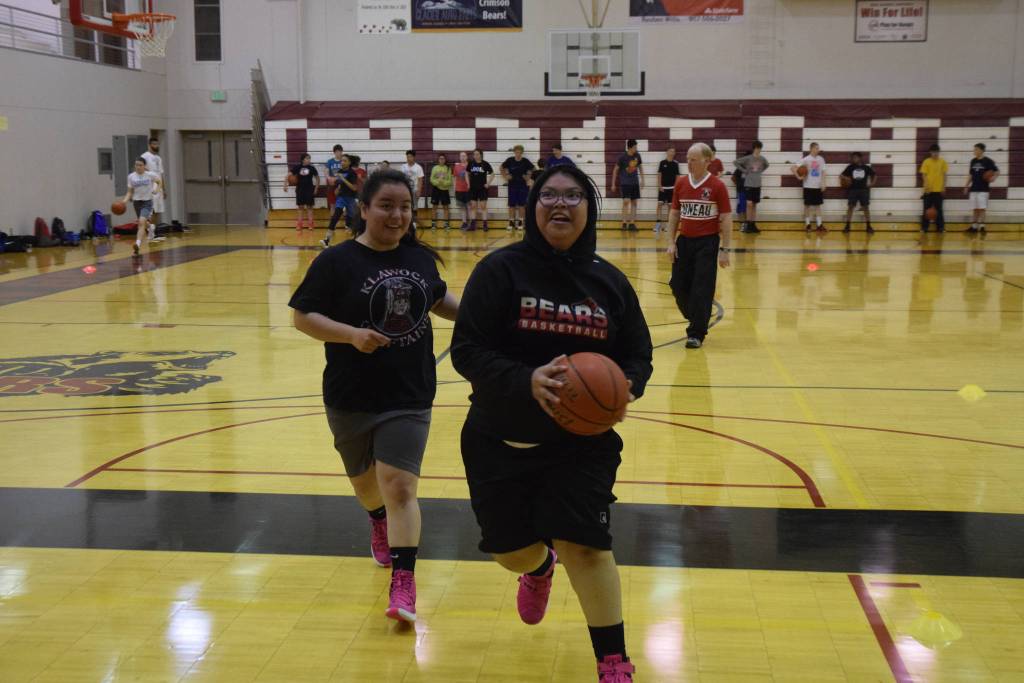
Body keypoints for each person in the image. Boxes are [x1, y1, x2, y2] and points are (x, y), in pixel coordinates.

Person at [451, 164, 653, 683]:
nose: (559, 205)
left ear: (589, 210)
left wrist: (625, 386)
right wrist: (526, 380)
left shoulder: (609, 282)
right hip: (499, 435)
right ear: (531, 206)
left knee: (585, 545)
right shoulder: (499, 272)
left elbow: (638, 353)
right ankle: (538, 568)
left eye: (572, 196)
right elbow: (467, 349)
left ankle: (613, 661)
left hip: (579, 444)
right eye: (548, 196)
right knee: (510, 553)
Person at [289, 169, 460, 624]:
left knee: (400, 485)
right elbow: (302, 316)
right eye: (386, 205)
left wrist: (483, 317)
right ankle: (377, 520)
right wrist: (350, 335)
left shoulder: (420, 258)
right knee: (366, 484)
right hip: (350, 393)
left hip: (410, 390)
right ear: (363, 209)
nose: (397, 214)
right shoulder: (336, 262)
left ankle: (404, 582)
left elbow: (437, 300)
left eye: (405, 206)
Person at [667, 143, 733, 349]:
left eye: (693, 159)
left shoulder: (717, 186)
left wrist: (725, 249)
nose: (689, 163)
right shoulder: (681, 183)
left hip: (707, 242)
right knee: (677, 284)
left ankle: (696, 333)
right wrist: (670, 242)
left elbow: (726, 217)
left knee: (701, 288)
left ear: (707, 161)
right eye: (687, 159)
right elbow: (675, 213)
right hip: (684, 241)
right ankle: (697, 316)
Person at [121, 157, 163, 256]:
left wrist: (157, 190)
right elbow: (129, 192)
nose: (138, 167)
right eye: (136, 165)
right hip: (137, 202)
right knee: (143, 223)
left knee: (141, 223)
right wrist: (123, 202)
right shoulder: (131, 176)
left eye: (140, 165)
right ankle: (151, 227)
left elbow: (159, 181)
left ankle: (137, 245)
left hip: (147, 202)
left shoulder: (150, 175)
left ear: (144, 166)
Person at [320, 155, 359, 248]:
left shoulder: (352, 173)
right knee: (335, 216)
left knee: (352, 223)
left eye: (344, 161)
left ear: (349, 163)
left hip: (350, 199)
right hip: (341, 198)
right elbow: (339, 184)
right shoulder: (340, 172)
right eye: (341, 161)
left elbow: (354, 188)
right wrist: (337, 189)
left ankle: (358, 241)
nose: (342, 162)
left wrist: (343, 179)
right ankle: (327, 240)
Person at [734, 141, 769, 234]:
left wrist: (760, 170)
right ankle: (748, 224)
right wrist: (744, 170)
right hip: (749, 184)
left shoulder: (762, 159)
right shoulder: (748, 158)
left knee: (754, 205)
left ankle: (753, 224)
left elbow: (767, 165)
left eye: (760, 148)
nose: (758, 150)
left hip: (757, 184)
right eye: (757, 148)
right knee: (749, 204)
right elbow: (736, 162)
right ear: (754, 148)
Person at [964, 143, 999, 234]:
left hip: (983, 189)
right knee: (975, 208)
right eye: (974, 149)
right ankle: (974, 227)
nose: (974, 151)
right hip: (974, 188)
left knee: (982, 208)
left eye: (976, 149)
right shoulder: (973, 161)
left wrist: (993, 178)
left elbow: (997, 171)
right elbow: (971, 174)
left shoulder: (988, 161)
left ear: (981, 150)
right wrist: (966, 186)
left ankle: (982, 227)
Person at [840, 152, 876, 234]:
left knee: (866, 208)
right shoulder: (850, 167)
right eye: (853, 158)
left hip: (864, 190)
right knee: (850, 207)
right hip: (853, 190)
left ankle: (868, 226)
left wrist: (872, 184)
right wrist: (847, 178)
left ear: (860, 158)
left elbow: (874, 175)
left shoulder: (866, 167)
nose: (853, 159)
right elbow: (841, 175)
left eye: (855, 157)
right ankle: (847, 226)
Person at [611, 139, 643, 231]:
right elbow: (615, 170)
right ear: (630, 147)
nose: (636, 149)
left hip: (635, 183)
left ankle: (632, 223)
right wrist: (613, 184)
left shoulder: (637, 155)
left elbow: (640, 167)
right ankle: (624, 223)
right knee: (626, 202)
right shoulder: (622, 157)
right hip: (625, 183)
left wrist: (642, 179)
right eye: (635, 147)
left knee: (634, 203)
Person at [501, 145, 535, 231]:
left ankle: (520, 222)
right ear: (514, 152)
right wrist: (505, 176)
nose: (518, 154)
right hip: (512, 185)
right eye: (516, 152)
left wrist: (528, 176)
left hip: (523, 186)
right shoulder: (510, 160)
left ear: (522, 153)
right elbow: (501, 168)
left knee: (521, 205)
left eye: (519, 152)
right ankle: (511, 222)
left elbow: (533, 169)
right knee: (511, 205)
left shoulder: (525, 161)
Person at [794, 142, 827, 232]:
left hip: (817, 186)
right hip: (808, 186)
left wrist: (823, 183)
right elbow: (793, 168)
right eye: (816, 148)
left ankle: (819, 225)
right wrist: (799, 177)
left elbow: (824, 172)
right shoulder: (806, 159)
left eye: (818, 148)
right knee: (807, 206)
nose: (818, 150)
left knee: (818, 206)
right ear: (811, 149)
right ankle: (808, 225)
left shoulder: (821, 159)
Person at [285, 152, 319, 232]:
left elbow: (317, 178)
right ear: (303, 160)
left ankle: (310, 224)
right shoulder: (297, 167)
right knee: (300, 208)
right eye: (307, 158)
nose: (309, 160)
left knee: (309, 207)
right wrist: (285, 184)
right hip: (300, 189)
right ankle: (299, 224)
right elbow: (288, 175)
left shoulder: (312, 168)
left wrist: (316, 188)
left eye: (309, 158)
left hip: (309, 189)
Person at [919, 144, 948, 233]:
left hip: (938, 190)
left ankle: (941, 228)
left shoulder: (942, 162)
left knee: (939, 210)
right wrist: (927, 185)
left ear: (939, 152)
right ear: (930, 152)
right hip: (928, 191)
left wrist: (943, 187)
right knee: (926, 210)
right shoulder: (926, 162)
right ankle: (924, 228)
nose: (935, 154)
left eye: (937, 152)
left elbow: (944, 175)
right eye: (933, 152)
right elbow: (923, 175)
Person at [140, 137, 165, 240]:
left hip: (159, 186)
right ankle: (150, 232)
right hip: (151, 186)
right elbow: (141, 169)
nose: (156, 146)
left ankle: (154, 231)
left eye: (157, 144)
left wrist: (164, 188)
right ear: (149, 145)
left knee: (158, 209)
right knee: (151, 210)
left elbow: (161, 174)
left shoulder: (159, 158)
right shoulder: (144, 156)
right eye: (154, 144)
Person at [467, 149, 494, 231]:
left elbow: (492, 174)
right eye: (474, 154)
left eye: (477, 154)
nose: (475, 156)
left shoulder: (485, 164)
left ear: (481, 155)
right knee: (473, 206)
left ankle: (485, 225)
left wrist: (488, 183)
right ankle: (473, 225)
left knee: (483, 206)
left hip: (482, 189)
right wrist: (468, 183)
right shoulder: (471, 163)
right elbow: (466, 173)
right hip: (473, 189)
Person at [655, 147, 680, 234]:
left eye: (673, 151)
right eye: (670, 151)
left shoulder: (675, 164)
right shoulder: (662, 163)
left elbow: (677, 176)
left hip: (672, 188)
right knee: (659, 205)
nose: (672, 153)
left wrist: (675, 187)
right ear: (667, 152)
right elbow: (659, 174)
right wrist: (659, 185)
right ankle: (658, 225)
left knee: (670, 207)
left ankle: (668, 225)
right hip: (663, 188)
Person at [401, 150, 425, 228]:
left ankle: (414, 224)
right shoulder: (403, 167)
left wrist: (419, 190)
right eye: (407, 157)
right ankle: (406, 222)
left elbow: (420, 179)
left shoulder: (418, 167)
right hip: (405, 190)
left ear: (414, 157)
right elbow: (400, 178)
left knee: (414, 207)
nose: (408, 158)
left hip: (414, 190)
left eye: (410, 156)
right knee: (405, 206)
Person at [429, 153, 453, 230]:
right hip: (436, 189)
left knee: (446, 207)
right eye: (440, 159)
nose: (441, 160)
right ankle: (433, 224)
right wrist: (438, 182)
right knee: (434, 207)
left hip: (445, 190)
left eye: (443, 159)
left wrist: (442, 182)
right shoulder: (435, 168)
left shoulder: (448, 168)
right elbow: (431, 179)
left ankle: (446, 224)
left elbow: (450, 182)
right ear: (438, 160)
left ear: (445, 160)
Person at [453, 151, 471, 230]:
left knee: (470, 207)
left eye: (464, 156)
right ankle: (464, 222)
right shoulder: (456, 167)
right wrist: (455, 188)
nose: (463, 157)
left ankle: (471, 223)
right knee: (462, 207)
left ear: (467, 157)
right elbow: (455, 178)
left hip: (468, 190)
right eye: (461, 156)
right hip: (459, 189)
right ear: (459, 158)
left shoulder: (470, 166)